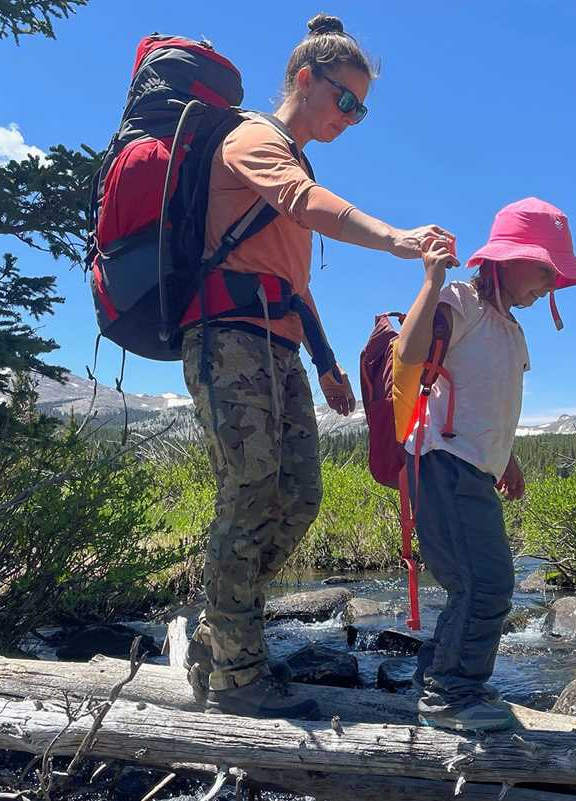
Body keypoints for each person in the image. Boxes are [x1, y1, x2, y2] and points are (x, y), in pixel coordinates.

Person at [184, 14, 455, 720]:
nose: (354, 118)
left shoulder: (295, 163)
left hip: (277, 347)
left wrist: (328, 363)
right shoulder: (253, 141)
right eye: (347, 101)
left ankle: (220, 624)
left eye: (361, 108)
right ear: (305, 80)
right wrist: (397, 239)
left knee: (298, 495)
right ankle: (239, 676)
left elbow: (293, 286)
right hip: (227, 341)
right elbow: (308, 207)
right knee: (247, 491)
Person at [394, 197, 576, 732]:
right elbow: (408, 356)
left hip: (472, 468)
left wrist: (510, 460)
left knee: (472, 581)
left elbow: (492, 404)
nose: (550, 282)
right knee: (488, 583)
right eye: (545, 269)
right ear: (508, 259)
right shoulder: (458, 301)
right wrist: (430, 283)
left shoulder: (509, 327)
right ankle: (450, 693)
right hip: (442, 463)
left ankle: (435, 675)